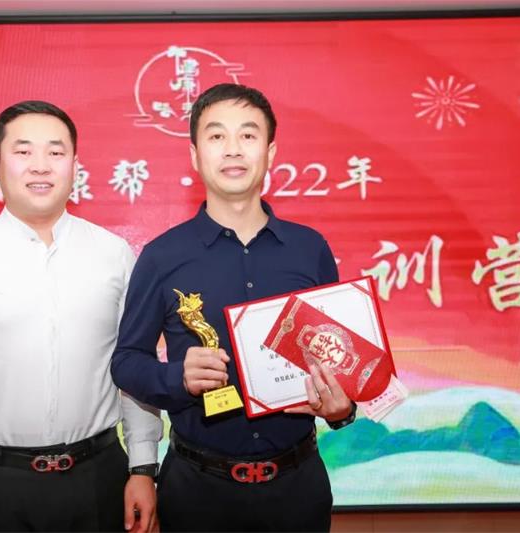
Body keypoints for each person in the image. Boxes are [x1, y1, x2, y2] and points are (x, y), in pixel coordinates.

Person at [111, 83, 356, 532]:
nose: (233, 149)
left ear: (270, 151)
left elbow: (338, 357)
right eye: (216, 136)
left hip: (297, 488)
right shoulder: (162, 257)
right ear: (194, 155)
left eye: (247, 135)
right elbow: (126, 362)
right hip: (197, 491)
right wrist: (176, 377)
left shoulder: (310, 249)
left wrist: (341, 410)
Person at [0, 100, 163, 533]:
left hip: (99, 477)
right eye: (23, 151)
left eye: (55, 152)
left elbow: (134, 365)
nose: (40, 165)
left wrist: (142, 467)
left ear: (75, 165)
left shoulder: (114, 254)